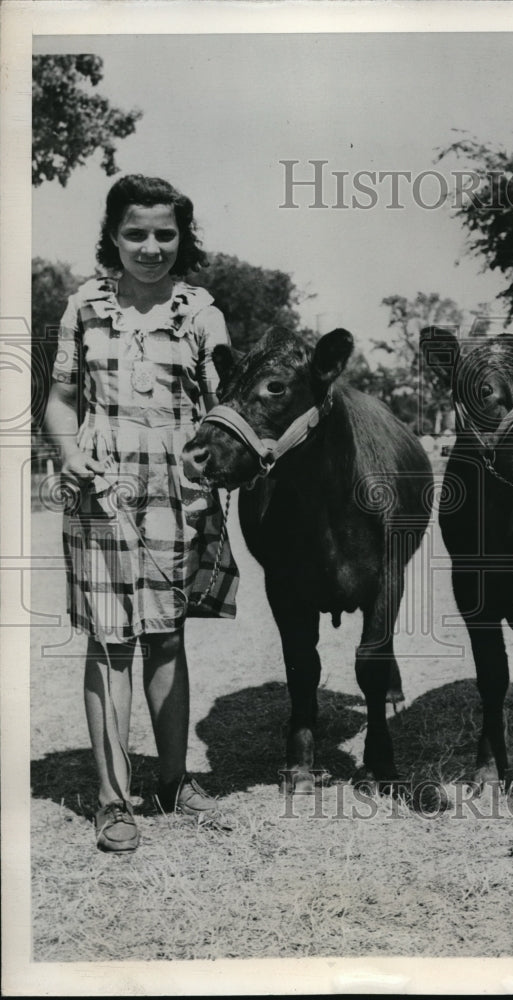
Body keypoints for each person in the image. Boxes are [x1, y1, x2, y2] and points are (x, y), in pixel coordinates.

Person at [44, 175, 239, 852]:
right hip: (100, 497)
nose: (150, 247)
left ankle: (174, 780)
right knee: (109, 644)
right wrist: (67, 451)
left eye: (164, 233)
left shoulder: (200, 310)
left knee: (166, 639)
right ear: (113, 235)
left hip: (176, 498)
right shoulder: (85, 306)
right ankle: (112, 800)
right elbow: (61, 401)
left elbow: (227, 401)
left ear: (182, 238)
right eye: (136, 233)